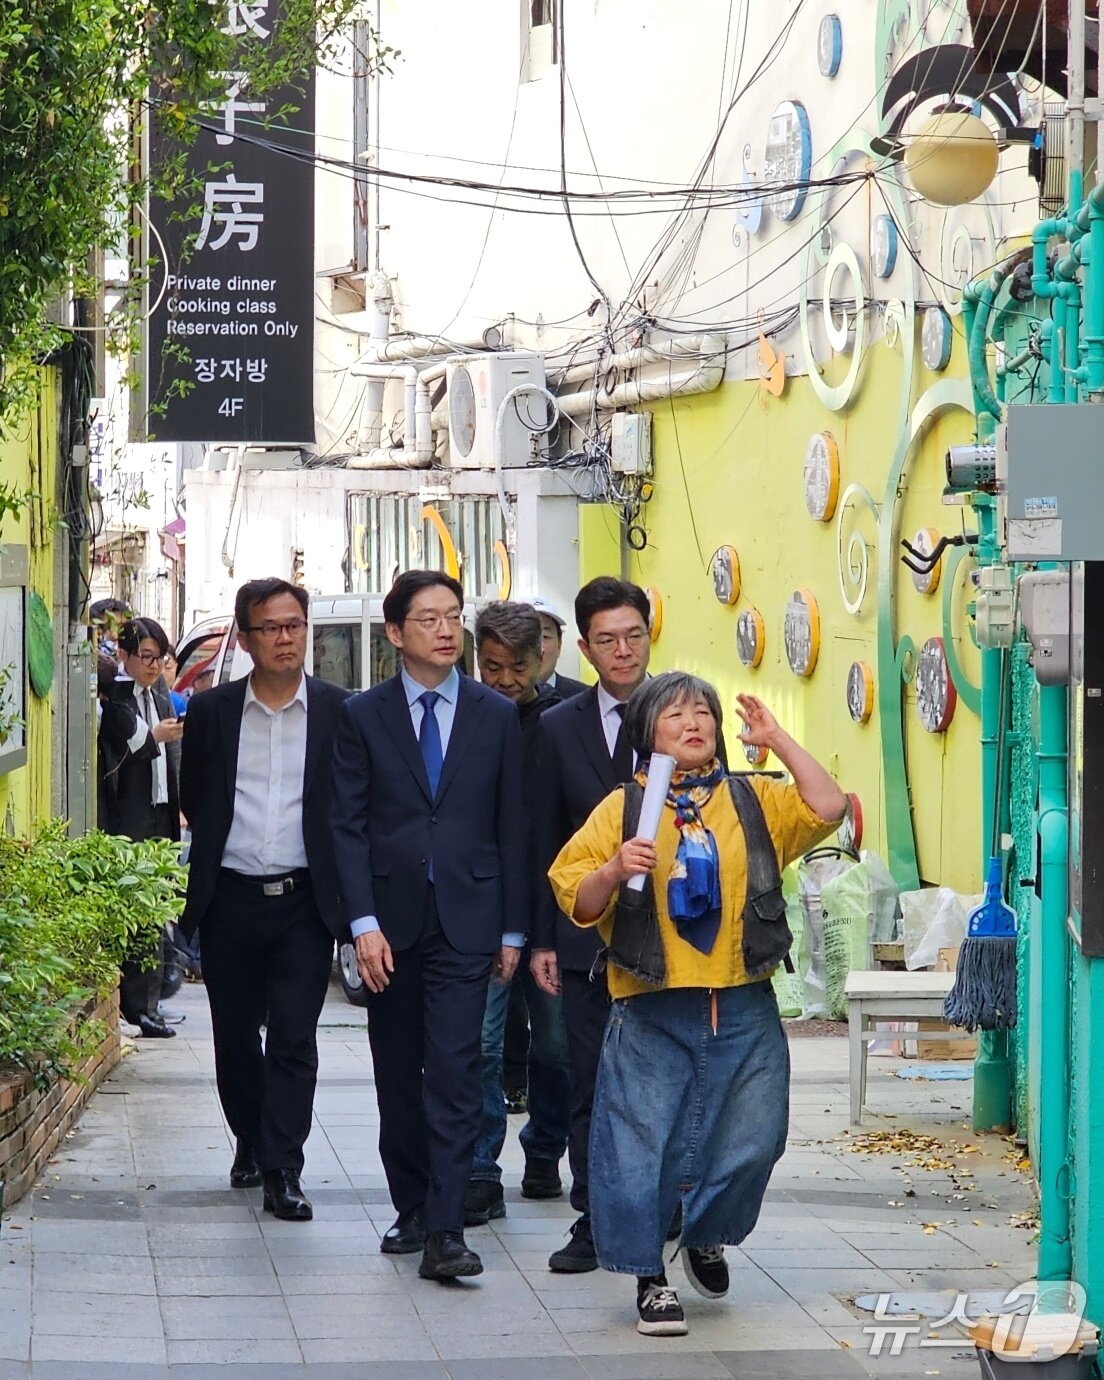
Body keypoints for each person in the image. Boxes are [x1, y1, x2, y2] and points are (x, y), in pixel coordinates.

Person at [549, 674, 845, 1336]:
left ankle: (706, 1233)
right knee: (640, 1149)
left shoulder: (752, 798)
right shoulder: (624, 807)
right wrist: (614, 867)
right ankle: (648, 1278)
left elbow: (828, 807)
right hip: (650, 1006)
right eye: (675, 713)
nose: (694, 723)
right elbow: (575, 897)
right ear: (646, 731)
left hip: (742, 1001)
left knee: (757, 1138)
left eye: (703, 712)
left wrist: (777, 740)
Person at [332, 570, 526, 1282]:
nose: (447, 630)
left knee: (455, 1069)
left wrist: (513, 930)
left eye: (453, 616)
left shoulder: (494, 715)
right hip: (390, 924)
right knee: (397, 1072)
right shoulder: (363, 715)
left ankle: (447, 1230)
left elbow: (512, 826)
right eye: (429, 619)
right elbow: (346, 827)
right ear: (395, 633)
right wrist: (361, 923)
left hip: (468, 919)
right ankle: (410, 1206)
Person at [178, 578, 350, 1221]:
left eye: (295, 625)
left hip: (305, 900)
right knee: (234, 1033)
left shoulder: (339, 711)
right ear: (246, 639)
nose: (285, 638)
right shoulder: (213, 712)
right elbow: (196, 797)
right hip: (231, 897)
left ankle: (283, 1166)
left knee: (295, 1036)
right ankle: (249, 1136)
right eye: (271, 627)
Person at [529, 576, 653, 1272]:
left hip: (669, 941)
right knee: (589, 1082)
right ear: (584, 647)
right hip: (582, 938)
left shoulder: (683, 710)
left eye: (633, 635)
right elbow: (542, 840)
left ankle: (671, 1217)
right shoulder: (557, 726)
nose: (623, 650)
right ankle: (594, 1219)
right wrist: (541, 938)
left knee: (664, 1085)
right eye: (607, 640)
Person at [465, 602, 570, 1225]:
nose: (504, 679)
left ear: (541, 658)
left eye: (517, 667)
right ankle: (482, 1167)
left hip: (554, 910)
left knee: (555, 1048)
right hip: (486, 911)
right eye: (492, 666)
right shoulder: (470, 719)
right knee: (481, 1044)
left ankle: (545, 1148)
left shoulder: (563, 722)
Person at [98, 616, 182, 1039]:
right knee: (137, 915)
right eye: (146, 657)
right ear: (125, 655)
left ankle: (151, 1002)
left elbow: (173, 759)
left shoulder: (161, 697)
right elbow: (132, 744)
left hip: (161, 812)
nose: (154, 666)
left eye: (160, 658)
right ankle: (138, 1006)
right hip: (129, 818)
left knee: (158, 911)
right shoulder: (117, 697)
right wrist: (157, 736)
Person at [529, 596, 587, 699]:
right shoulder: (500, 701)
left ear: (559, 644)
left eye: (545, 637)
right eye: (528, 637)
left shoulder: (585, 698)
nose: (539, 649)